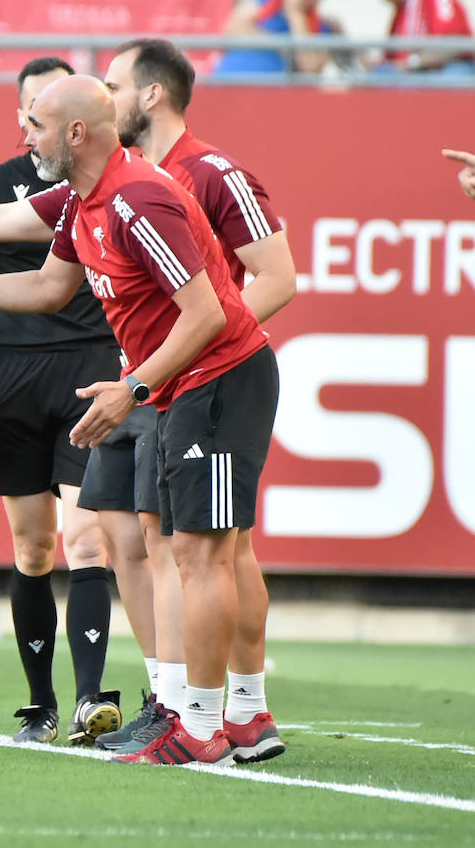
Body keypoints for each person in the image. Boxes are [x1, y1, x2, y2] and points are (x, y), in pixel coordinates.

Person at [0, 75, 277, 766]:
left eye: (34, 123)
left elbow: (208, 312)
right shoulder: (83, 200)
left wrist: (133, 388)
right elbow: (43, 284)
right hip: (181, 383)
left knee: (204, 553)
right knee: (190, 551)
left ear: (74, 134)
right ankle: (234, 715)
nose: (23, 136)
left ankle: (207, 726)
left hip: (218, 378)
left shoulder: (136, 198)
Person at [95, 38, 295, 762]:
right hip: (162, 379)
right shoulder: (127, 176)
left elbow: (275, 277)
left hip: (195, 374)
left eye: (112, 83)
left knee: (215, 548)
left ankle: (225, 708)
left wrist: (195, 351)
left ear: (150, 94)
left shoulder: (210, 172)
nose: (101, 94)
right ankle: (202, 706)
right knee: (169, 541)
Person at [0, 56, 122, 746]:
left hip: (89, 372)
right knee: (33, 547)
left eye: (49, 109)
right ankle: (39, 704)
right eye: (29, 109)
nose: (34, 124)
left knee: (87, 537)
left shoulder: (103, 189)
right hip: (12, 378)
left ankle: (92, 701)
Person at [216, 0, 342, 76]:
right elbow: (233, 26)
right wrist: (282, 46)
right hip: (229, 79)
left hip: (272, 90)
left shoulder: (323, 29)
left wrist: (296, 16)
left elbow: (309, 67)